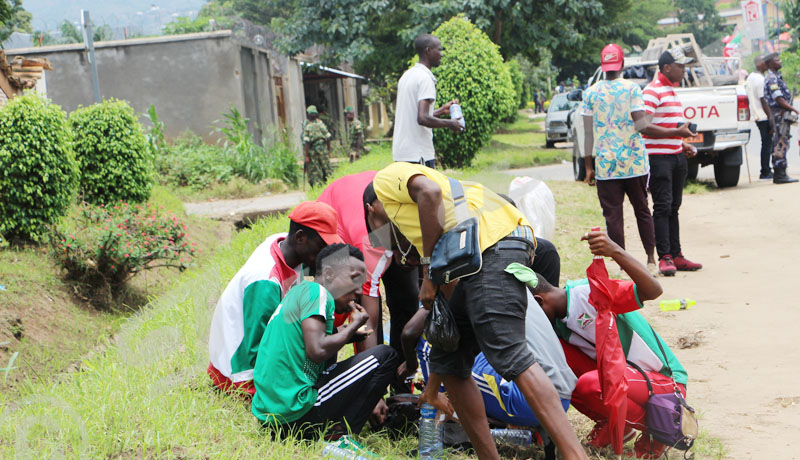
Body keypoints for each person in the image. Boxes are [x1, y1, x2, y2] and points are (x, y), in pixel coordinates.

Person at [371, 162, 589, 460]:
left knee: (511, 354)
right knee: (453, 363)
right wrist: (432, 391)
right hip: (492, 246)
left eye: (382, 234)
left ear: (373, 209)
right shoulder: (448, 226)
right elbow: (447, 335)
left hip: (493, 247)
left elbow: (429, 192)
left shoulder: (386, 180)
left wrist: (430, 272)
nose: (391, 246)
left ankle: (576, 456)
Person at [528, 230, 687, 459]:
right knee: (555, 369)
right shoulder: (558, 326)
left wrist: (615, 251)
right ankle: (617, 425)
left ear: (538, 302)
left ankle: (661, 428)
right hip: (626, 377)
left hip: (664, 384)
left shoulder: (590, 292)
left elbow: (653, 290)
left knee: (591, 384)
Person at [251, 243, 399, 438]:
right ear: (329, 273)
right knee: (386, 356)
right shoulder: (317, 292)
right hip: (295, 411)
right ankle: (339, 435)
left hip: (270, 417)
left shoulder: (299, 292)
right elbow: (317, 350)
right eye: (355, 279)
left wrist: (347, 333)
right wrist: (354, 325)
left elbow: (309, 343)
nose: (358, 293)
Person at [207, 201, 343, 396]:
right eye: (322, 246)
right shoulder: (266, 281)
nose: (325, 254)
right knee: (318, 351)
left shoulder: (282, 244)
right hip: (240, 373)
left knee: (324, 337)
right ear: (300, 237)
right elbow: (259, 350)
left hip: (246, 353)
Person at [582, 43, 664, 273]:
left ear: (603, 65)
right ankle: (650, 260)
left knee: (613, 216)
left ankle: (621, 265)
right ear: (623, 63)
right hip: (634, 162)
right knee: (642, 210)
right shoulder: (632, 89)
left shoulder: (590, 93)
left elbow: (587, 133)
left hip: (606, 165)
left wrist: (588, 167)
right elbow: (640, 124)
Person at [642, 48, 703, 276]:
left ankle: (676, 254)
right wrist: (676, 132)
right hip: (659, 159)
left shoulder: (672, 91)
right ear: (667, 68)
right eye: (681, 66)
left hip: (675, 156)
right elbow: (644, 127)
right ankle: (664, 256)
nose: (684, 70)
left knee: (674, 208)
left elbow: (666, 126)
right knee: (662, 207)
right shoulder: (652, 91)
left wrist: (681, 143)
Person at [392, 33, 462, 168]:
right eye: (439, 49)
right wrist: (450, 123)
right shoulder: (425, 78)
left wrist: (441, 110)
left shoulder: (407, 76)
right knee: (430, 189)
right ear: (428, 51)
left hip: (402, 153)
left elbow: (415, 116)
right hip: (419, 154)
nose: (442, 54)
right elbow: (422, 118)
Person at [764, 52, 799, 184]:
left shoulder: (777, 77)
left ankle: (781, 172)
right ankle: (780, 173)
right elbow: (778, 99)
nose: (780, 62)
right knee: (781, 142)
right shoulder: (771, 79)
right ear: (770, 64)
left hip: (781, 114)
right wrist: (794, 110)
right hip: (779, 115)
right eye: (777, 60)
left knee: (782, 140)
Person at [745, 55, 774, 180]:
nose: (766, 63)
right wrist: (771, 117)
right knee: (767, 144)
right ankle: (765, 171)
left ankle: (766, 169)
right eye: (764, 61)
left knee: (766, 143)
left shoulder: (751, 77)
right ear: (759, 64)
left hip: (758, 115)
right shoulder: (760, 79)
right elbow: (763, 100)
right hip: (763, 116)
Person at [303, 105, 332, 186]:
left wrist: (306, 156)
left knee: (316, 169)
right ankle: (329, 183)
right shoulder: (321, 125)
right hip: (323, 149)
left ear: (308, 115)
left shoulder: (308, 127)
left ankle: (319, 185)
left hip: (313, 151)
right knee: (326, 167)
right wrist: (328, 151)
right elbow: (328, 138)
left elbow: (307, 143)